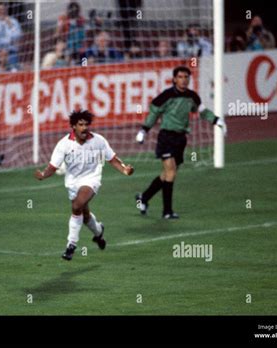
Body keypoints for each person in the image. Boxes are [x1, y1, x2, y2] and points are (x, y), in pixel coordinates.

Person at [35, 110, 134, 261]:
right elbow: (53, 167)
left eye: (86, 124)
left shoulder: (98, 140)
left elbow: (112, 159)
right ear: (73, 126)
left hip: (91, 179)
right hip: (73, 183)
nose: (84, 127)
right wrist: (43, 175)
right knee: (84, 214)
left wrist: (125, 170)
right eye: (80, 124)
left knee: (76, 206)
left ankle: (71, 245)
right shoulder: (64, 144)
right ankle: (99, 232)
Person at [135, 66, 227, 219]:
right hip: (166, 137)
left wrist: (217, 120)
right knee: (171, 171)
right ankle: (167, 211)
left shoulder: (192, 97)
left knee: (167, 174)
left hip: (181, 139)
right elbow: (154, 112)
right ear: (174, 79)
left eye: (186, 77)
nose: (184, 80)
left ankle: (144, 198)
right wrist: (143, 130)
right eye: (180, 77)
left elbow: (203, 112)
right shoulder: (166, 96)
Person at [0, 2, 22, 70]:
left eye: (2, 9)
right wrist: (8, 40)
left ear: (6, 10)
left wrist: (11, 26)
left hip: (11, 53)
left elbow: (18, 36)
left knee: (14, 71)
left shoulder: (13, 22)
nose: (1, 12)